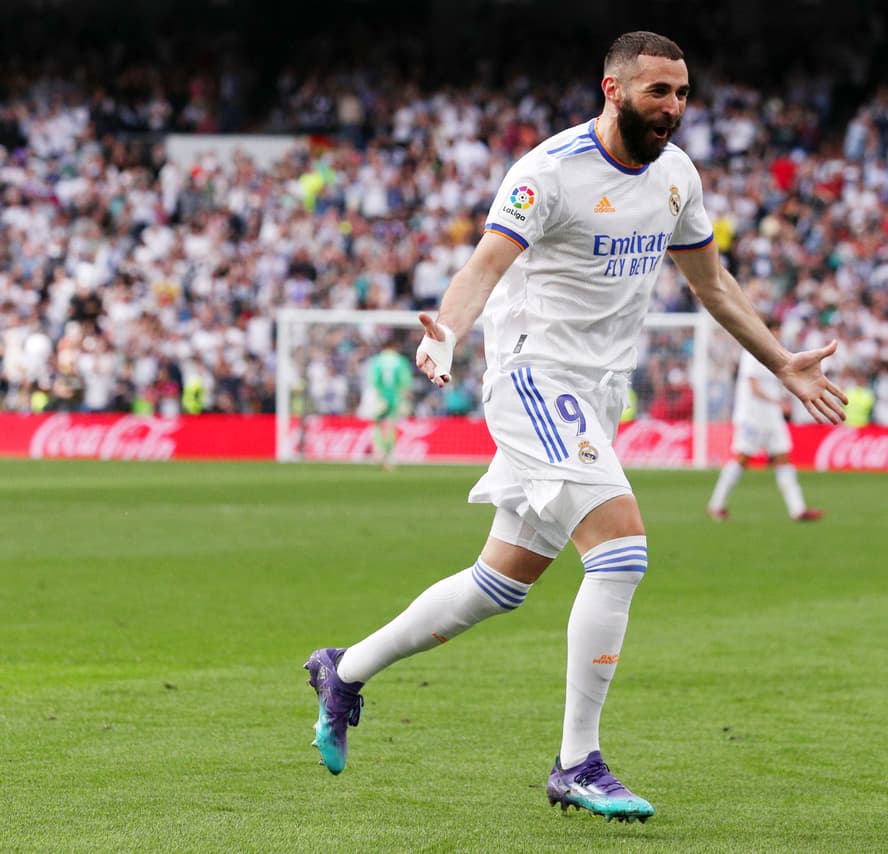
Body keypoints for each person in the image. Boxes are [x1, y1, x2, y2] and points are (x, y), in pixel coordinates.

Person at [305, 31, 847, 823]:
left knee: (499, 585)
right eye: (658, 91)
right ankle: (576, 763)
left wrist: (781, 361)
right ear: (613, 89)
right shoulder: (550, 172)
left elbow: (713, 284)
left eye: (683, 93)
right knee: (621, 551)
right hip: (534, 379)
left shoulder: (677, 176)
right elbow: (484, 266)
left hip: (597, 396)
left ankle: (344, 669)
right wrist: (447, 330)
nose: (673, 107)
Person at [706, 316, 824, 522]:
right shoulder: (752, 354)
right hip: (752, 417)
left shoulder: (776, 356)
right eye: (775, 331)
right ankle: (716, 504)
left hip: (772, 417)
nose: (778, 336)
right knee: (742, 459)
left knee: (783, 458)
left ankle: (798, 510)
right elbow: (753, 387)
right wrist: (777, 402)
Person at [363, 339, 415, 469]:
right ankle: (389, 455)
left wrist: (378, 396)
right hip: (396, 398)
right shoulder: (400, 361)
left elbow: (374, 381)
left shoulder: (377, 360)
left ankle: (379, 450)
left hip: (381, 397)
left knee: (377, 423)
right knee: (391, 426)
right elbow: (405, 381)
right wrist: (405, 398)